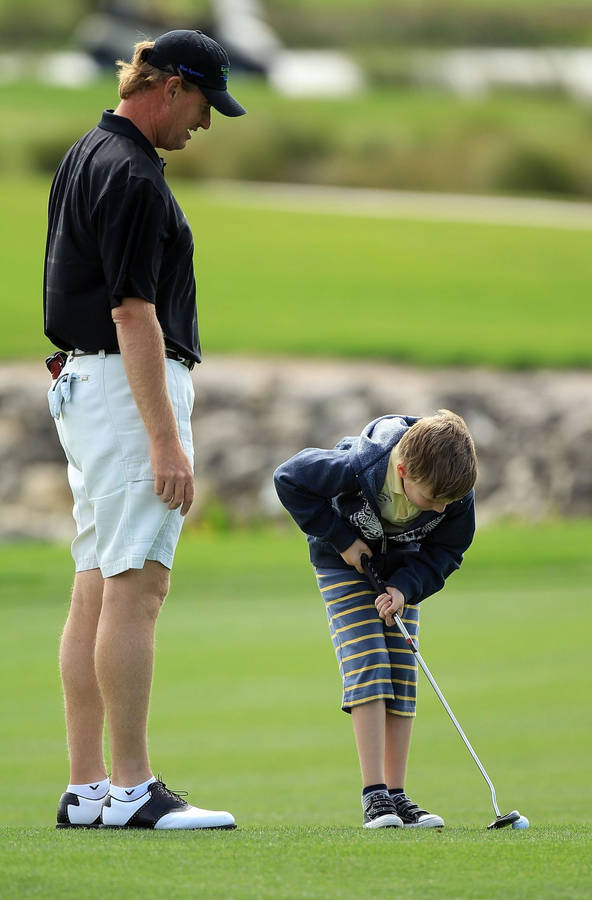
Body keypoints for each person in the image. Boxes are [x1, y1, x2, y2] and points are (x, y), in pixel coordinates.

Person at [43, 30, 246, 831]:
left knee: (96, 582)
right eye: (203, 105)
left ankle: (87, 786)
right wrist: (166, 440)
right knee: (138, 585)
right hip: (127, 391)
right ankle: (130, 788)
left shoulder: (88, 150)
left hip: (84, 388)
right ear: (170, 88)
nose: (205, 124)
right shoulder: (131, 174)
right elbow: (133, 310)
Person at [274, 410, 477, 829]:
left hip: (401, 574)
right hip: (342, 566)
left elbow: (447, 552)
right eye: (433, 499)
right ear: (402, 470)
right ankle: (375, 795)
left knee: (402, 669)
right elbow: (289, 479)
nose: (440, 508)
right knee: (369, 660)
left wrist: (405, 587)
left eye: (448, 502)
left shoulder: (453, 492)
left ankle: (398, 796)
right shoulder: (357, 465)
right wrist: (344, 540)